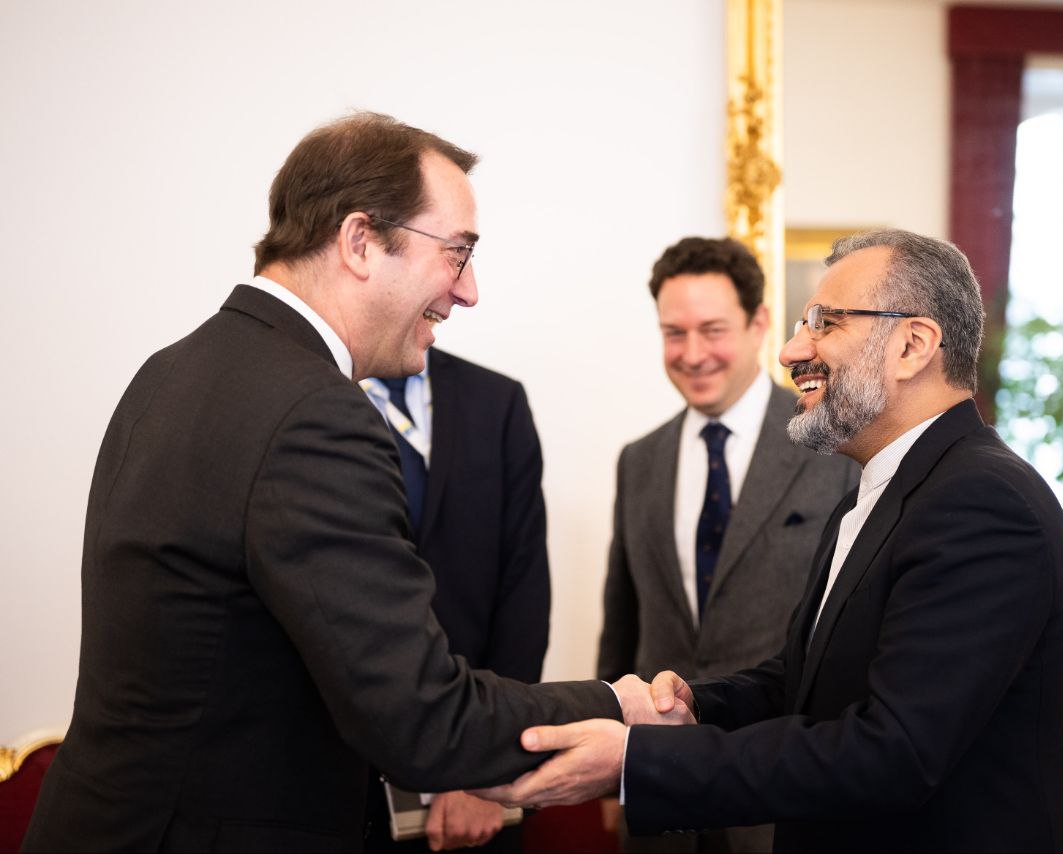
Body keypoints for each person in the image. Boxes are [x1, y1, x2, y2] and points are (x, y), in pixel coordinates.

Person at [22, 112, 681, 853]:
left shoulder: (171, 369)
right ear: (360, 242)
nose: (468, 291)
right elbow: (420, 715)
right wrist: (616, 706)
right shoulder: (314, 411)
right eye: (458, 253)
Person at [476, 229, 1063, 853]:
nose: (793, 351)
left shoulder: (983, 503)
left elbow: (892, 752)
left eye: (825, 323)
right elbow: (805, 681)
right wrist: (693, 706)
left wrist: (638, 762)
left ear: (912, 345)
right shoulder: (880, 491)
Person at [596, 237, 854, 852]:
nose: (692, 354)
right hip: (659, 793)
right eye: (674, 333)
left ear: (759, 324)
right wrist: (612, 769)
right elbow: (622, 623)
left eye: (712, 330)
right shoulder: (639, 460)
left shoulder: (834, 447)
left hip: (783, 792)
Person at [361, 348, 552, 852]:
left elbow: (524, 596)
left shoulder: (497, 400)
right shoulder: (308, 394)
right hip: (340, 777)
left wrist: (488, 766)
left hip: (479, 773)